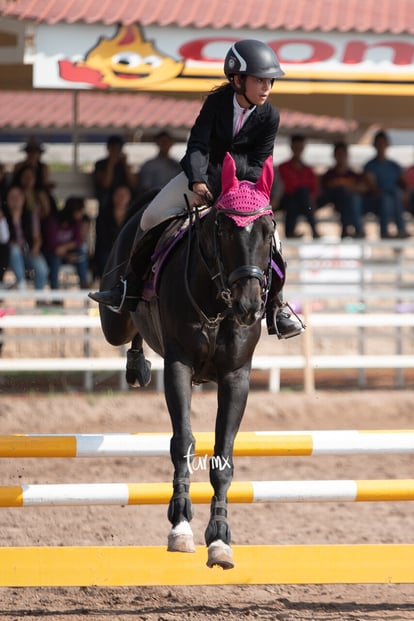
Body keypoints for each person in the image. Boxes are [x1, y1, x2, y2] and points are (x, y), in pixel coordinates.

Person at [90, 40, 304, 339]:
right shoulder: (217, 104)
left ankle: (277, 308)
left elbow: (259, 160)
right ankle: (129, 289)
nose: (266, 87)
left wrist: (239, 192)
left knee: (273, 239)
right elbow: (198, 146)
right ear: (238, 79)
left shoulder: (270, 115)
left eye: (269, 80)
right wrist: (198, 181)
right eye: (259, 80)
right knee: (151, 217)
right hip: (203, 179)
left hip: (242, 191)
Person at [363, 130, 410, 239]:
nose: (381, 146)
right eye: (379, 143)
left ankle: (401, 229)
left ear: (387, 145)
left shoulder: (394, 165)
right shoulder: (370, 166)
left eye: (383, 143)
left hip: (394, 198)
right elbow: (372, 187)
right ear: (374, 145)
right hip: (376, 200)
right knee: (386, 198)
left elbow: (405, 184)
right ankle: (384, 232)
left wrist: (406, 193)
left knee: (396, 194)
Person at [4, 185, 48, 291]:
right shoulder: (3, 216)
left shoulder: (30, 215)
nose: (15, 200)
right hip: (8, 255)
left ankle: (40, 297)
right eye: (12, 197)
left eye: (18, 197)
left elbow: (37, 236)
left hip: (28, 252)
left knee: (41, 266)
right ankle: (21, 283)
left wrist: (36, 247)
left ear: (23, 199)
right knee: (14, 249)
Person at [319, 142, 367, 239]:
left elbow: (364, 187)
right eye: (338, 154)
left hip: (350, 205)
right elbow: (326, 189)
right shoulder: (329, 174)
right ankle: (349, 228)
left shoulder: (353, 174)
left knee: (353, 198)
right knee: (342, 192)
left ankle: (355, 229)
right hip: (335, 203)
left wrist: (349, 188)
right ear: (334, 156)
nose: (341, 157)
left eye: (343, 154)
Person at [41, 195, 90, 291]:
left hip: (67, 252)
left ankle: (84, 283)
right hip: (51, 253)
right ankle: (55, 292)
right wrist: (66, 255)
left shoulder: (77, 222)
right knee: (55, 259)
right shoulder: (54, 221)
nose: (81, 214)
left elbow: (78, 240)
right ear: (73, 211)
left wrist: (65, 248)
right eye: (80, 211)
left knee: (81, 252)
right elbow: (52, 246)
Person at [277, 135, 321, 239]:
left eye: (300, 147)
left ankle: (290, 232)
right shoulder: (283, 167)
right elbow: (288, 187)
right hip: (289, 199)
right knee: (298, 195)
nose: (298, 150)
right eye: (296, 147)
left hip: (302, 202)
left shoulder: (308, 169)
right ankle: (313, 228)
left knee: (300, 197)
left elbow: (314, 189)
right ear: (291, 147)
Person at [94, 184, 132, 279]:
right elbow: (102, 238)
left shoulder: (133, 215)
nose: (121, 198)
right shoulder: (104, 215)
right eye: (118, 195)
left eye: (125, 195)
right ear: (113, 196)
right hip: (108, 250)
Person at [93, 135, 137, 215]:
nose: (115, 151)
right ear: (108, 148)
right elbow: (105, 184)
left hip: (125, 201)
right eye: (113, 149)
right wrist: (110, 164)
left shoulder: (124, 164)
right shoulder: (100, 164)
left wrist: (125, 164)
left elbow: (134, 183)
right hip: (107, 200)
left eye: (118, 149)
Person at [137, 131, 182, 196]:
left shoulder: (177, 165)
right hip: (154, 199)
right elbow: (145, 188)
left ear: (171, 143)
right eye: (163, 142)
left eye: (167, 142)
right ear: (157, 143)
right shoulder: (149, 165)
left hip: (175, 198)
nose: (165, 144)